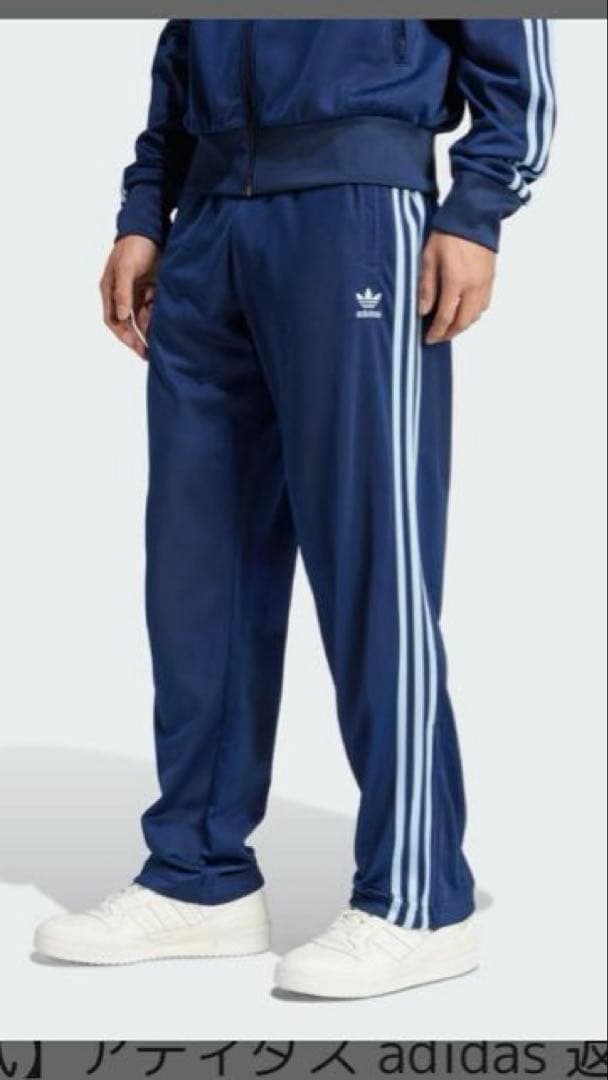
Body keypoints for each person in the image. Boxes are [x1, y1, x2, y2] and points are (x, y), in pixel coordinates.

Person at [34, 19, 554, 998]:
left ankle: (418, 893)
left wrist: (477, 206)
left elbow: (517, 58)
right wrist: (146, 209)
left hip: (354, 211)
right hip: (206, 224)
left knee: (373, 557)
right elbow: (183, 45)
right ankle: (198, 876)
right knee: (198, 567)